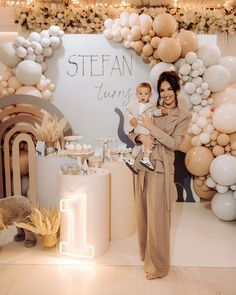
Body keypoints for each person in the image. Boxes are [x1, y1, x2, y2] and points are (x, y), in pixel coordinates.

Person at [129, 71, 191, 280]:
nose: (165, 94)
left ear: (176, 89)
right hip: (142, 166)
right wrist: (140, 137)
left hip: (161, 169)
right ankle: (146, 257)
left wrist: (152, 130)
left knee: (159, 219)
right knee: (143, 215)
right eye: (162, 90)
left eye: (169, 89)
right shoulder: (151, 108)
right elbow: (133, 130)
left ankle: (159, 266)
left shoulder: (183, 115)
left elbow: (174, 143)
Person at [125, 82, 168, 174]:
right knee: (151, 139)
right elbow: (127, 112)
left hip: (144, 127)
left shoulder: (151, 105)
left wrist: (161, 111)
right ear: (136, 94)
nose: (143, 96)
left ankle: (131, 160)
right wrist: (131, 118)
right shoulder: (133, 104)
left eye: (146, 94)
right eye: (140, 94)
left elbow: (155, 112)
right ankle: (145, 158)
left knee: (139, 144)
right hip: (140, 126)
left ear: (150, 95)